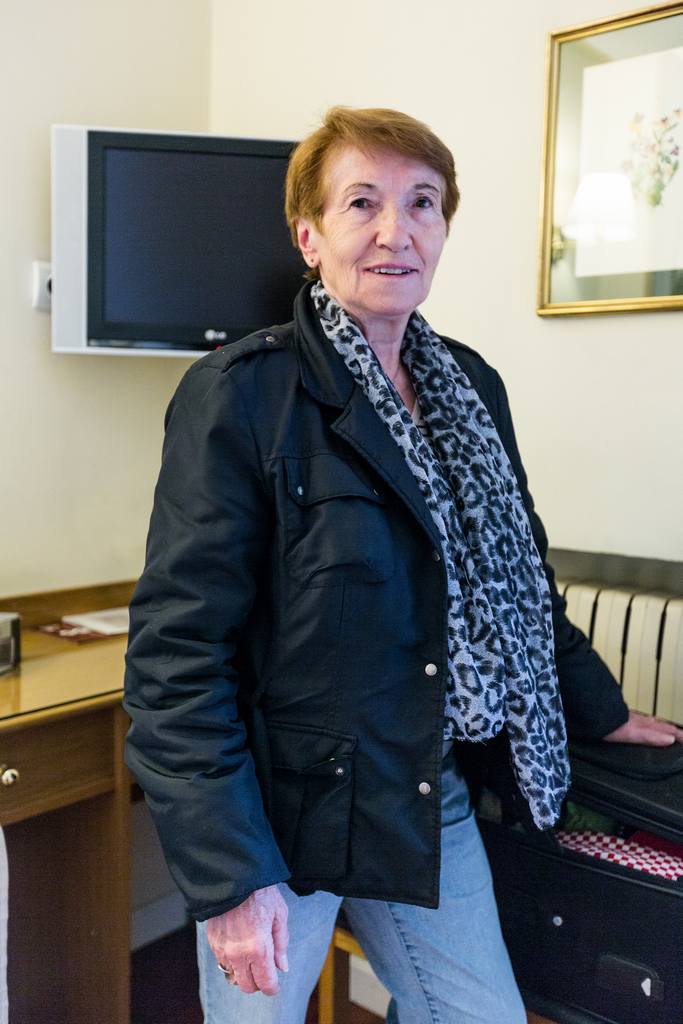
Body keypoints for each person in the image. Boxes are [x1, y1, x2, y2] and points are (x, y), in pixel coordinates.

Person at [123, 106, 683, 1024]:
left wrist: (603, 711)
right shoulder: (240, 394)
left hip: (418, 787)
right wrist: (231, 880)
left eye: (422, 202)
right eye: (361, 202)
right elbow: (176, 658)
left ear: (443, 230)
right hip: (280, 816)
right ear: (309, 236)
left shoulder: (471, 386)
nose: (396, 229)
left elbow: (517, 583)